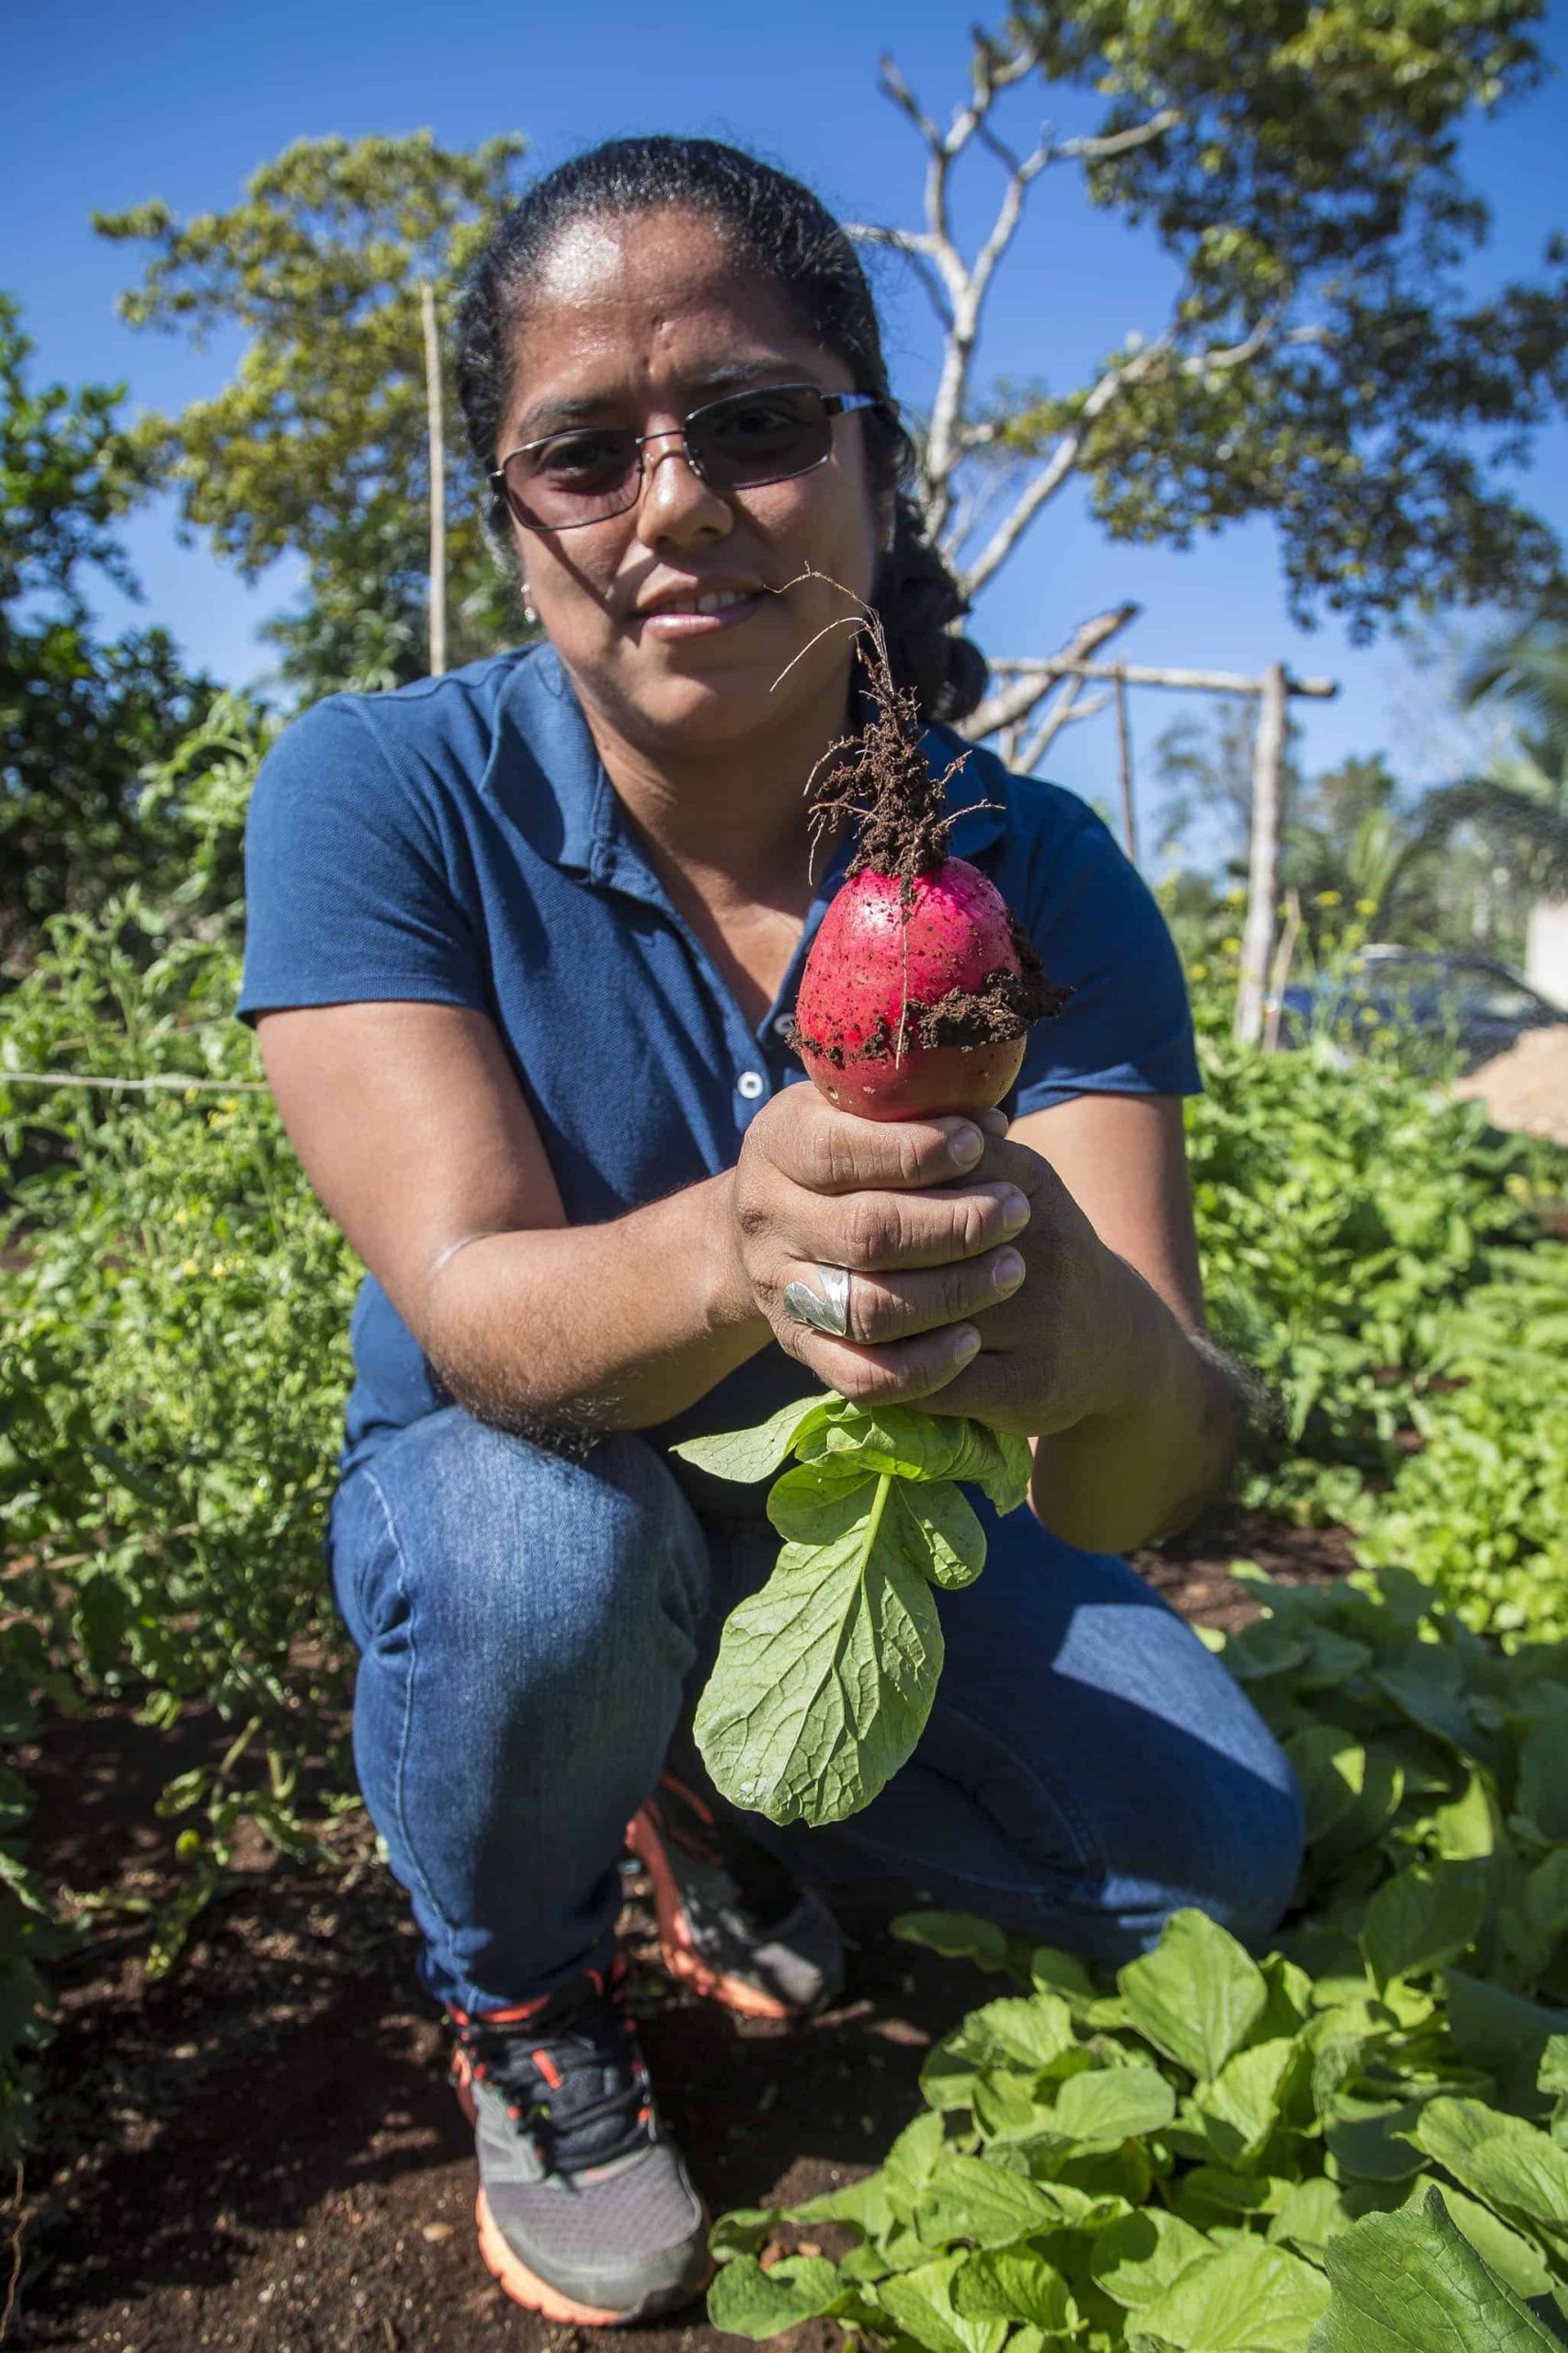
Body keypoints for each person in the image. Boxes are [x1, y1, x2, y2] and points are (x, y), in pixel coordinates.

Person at [239, 135, 1303, 2329]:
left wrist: (1097, 1343)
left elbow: (1156, 1471)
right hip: (541, 1469)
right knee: (538, 1561)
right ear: (506, 504)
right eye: (581, 449)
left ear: (868, 462)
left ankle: (707, 1795)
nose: (674, 500)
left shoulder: (1034, 869)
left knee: (1223, 1862)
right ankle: (530, 1993)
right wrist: (742, 1236)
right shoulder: (380, 789)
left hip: (861, 1517)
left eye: (745, 420)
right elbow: (471, 1311)